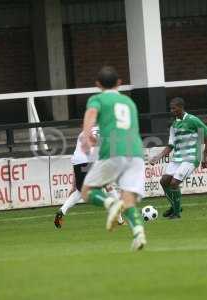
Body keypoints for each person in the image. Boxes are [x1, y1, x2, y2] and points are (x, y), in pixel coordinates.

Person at [80, 66, 146, 251]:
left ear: (98, 84)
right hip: (136, 152)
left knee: (87, 191)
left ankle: (111, 203)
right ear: (119, 83)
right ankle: (139, 234)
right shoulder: (129, 103)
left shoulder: (97, 99)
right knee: (129, 197)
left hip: (114, 150)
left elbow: (91, 114)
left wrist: (87, 136)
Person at [149, 97, 207, 219]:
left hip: (191, 157)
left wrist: (204, 155)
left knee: (174, 183)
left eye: (174, 108)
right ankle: (175, 206)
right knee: (164, 181)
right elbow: (171, 145)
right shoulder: (174, 125)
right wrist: (158, 157)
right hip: (177, 158)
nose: (172, 110)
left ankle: (176, 213)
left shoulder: (193, 120)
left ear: (181, 107)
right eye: (171, 108)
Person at [53, 127, 124, 228]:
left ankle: (62, 211)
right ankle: (118, 218)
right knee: (108, 186)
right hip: (91, 161)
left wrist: (74, 186)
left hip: (78, 163)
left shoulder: (83, 132)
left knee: (80, 191)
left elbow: (77, 160)